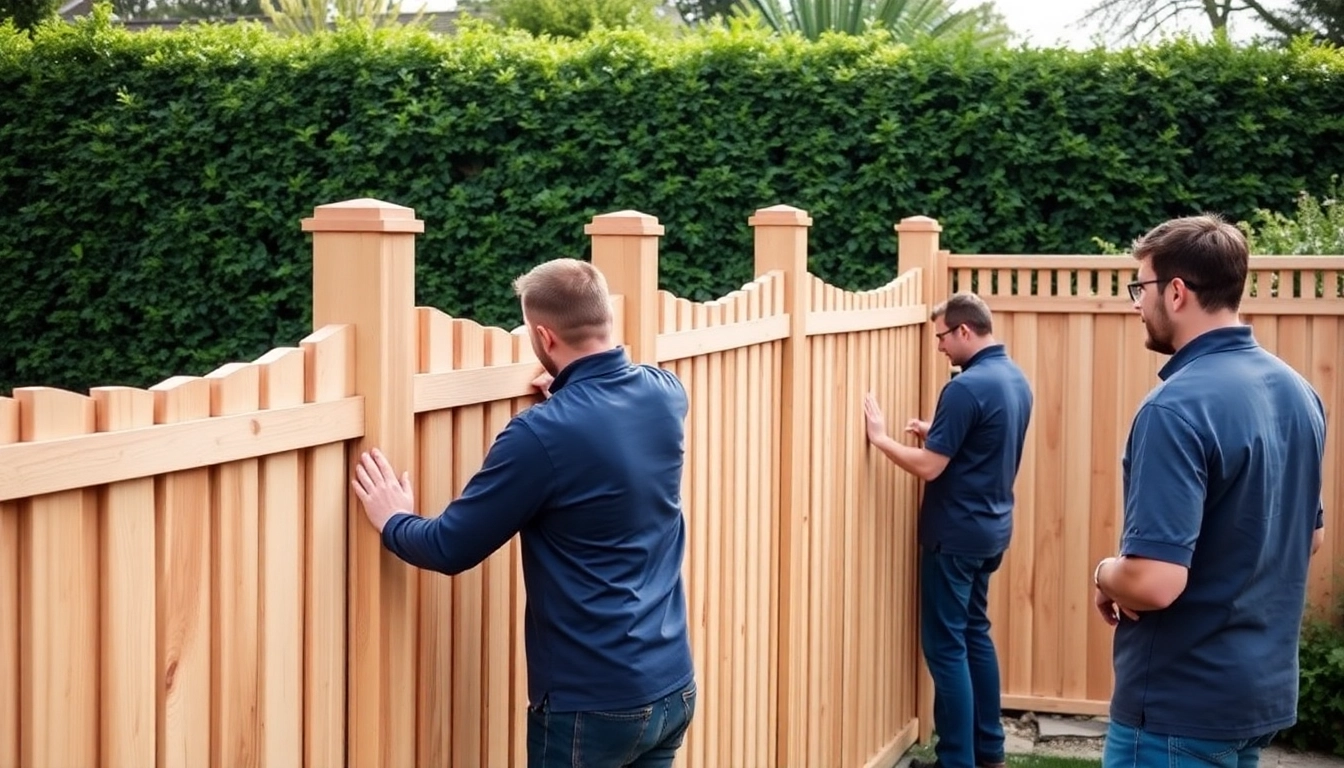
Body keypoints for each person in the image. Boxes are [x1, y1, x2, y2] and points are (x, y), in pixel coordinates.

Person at [351, 258, 697, 768]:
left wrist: (395, 519)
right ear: (605, 319)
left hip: (593, 707)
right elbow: (613, 410)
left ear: (543, 335)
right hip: (672, 688)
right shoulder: (666, 393)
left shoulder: (543, 434)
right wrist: (569, 392)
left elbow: (450, 547)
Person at [1093, 215, 1327, 768]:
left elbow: (1154, 582)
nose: (1135, 303)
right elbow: (1309, 538)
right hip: (1257, 700)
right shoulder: (1299, 393)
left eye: (1139, 287)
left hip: (1178, 708)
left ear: (1176, 292)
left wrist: (1104, 573)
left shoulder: (1174, 409)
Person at [863, 292, 1033, 768]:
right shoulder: (1014, 378)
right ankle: (989, 751)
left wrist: (882, 440)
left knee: (946, 647)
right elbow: (979, 444)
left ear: (963, 331)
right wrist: (934, 432)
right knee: (976, 634)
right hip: (992, 531)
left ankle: (956, 760)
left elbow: (931, 468)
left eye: (941, 336)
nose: (938, 346)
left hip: (953, 537)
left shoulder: (966, 387)